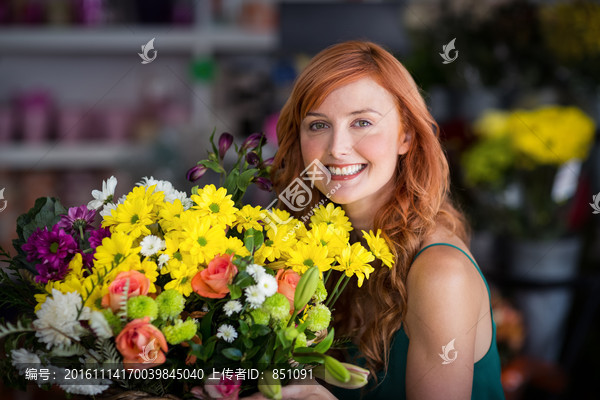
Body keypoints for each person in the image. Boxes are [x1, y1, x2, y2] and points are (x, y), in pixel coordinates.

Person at [244, 41, 504, 399]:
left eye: (362, 122)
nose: (337, 148)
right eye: (318, 125)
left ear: (406, 135)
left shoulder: (440, 274)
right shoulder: (304, 245)